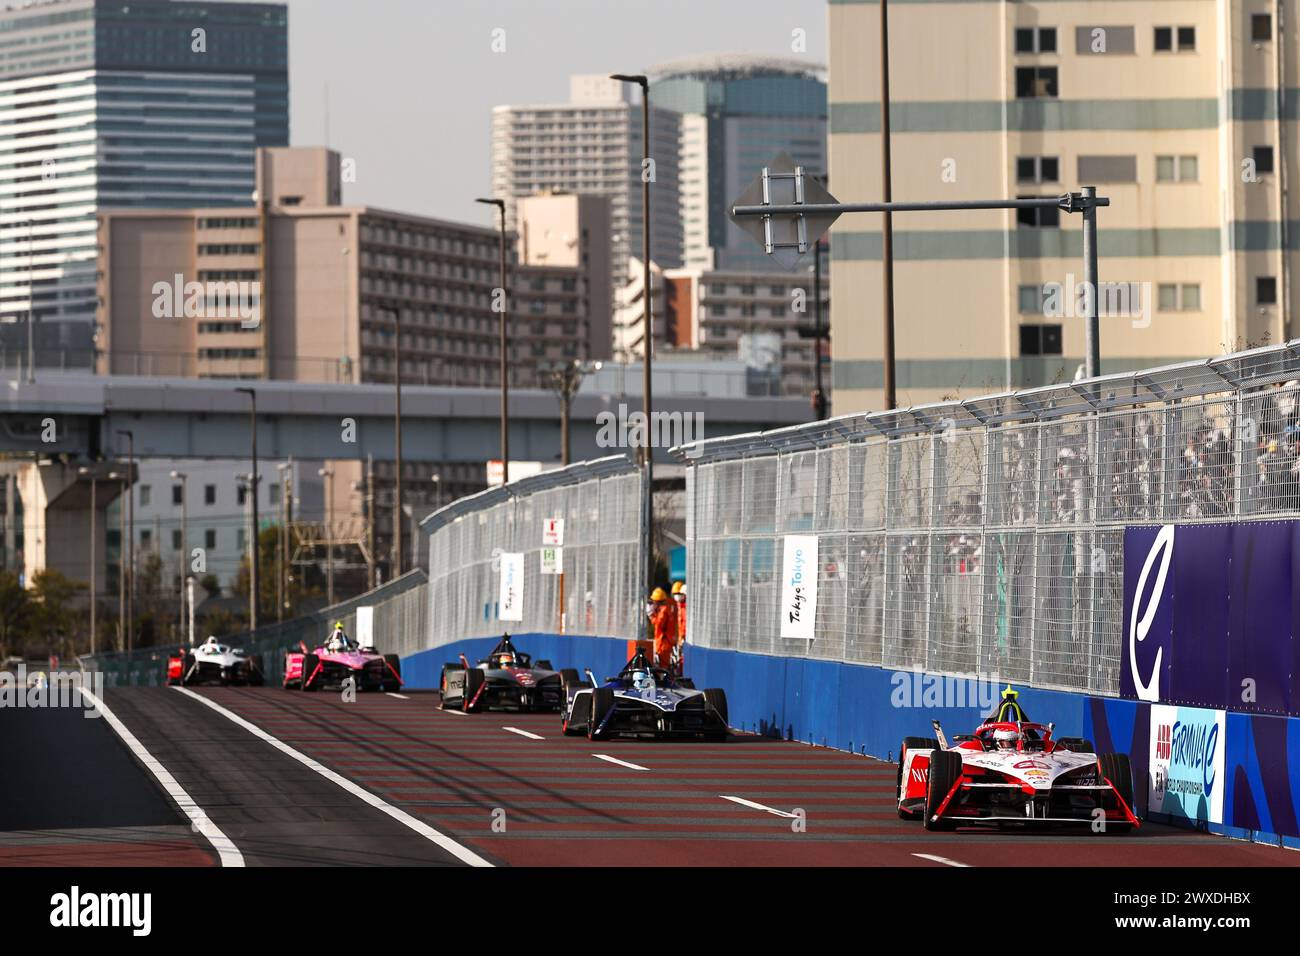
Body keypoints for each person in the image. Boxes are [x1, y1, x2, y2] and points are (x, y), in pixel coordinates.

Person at [648, 587, 677, 670]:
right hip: (663, 642)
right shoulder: (664, 609)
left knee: (663, 668)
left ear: (657, 601)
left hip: (664, 643)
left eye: (654, 602)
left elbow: (659, 624)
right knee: (661, 666)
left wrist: (652, 616)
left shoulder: (663, 611)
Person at [671, 581, 687, 674]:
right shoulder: (679, 606)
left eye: (679, 594)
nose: (677, 596)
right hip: (680, 638)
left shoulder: (685, 607)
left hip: (684, 638)